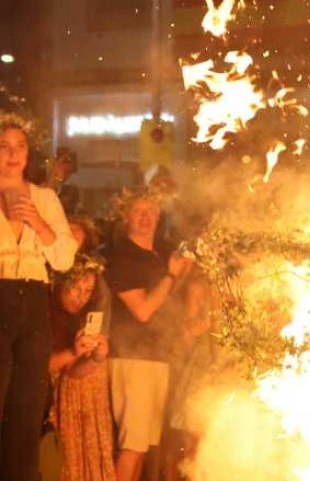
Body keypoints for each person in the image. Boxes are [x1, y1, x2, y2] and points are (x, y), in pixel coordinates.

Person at [0, 112, 77, 480]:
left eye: (20, 147)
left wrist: (38, 223)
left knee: (27, 411)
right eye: (3, 147)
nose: (13, 155)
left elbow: (63, 259)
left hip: (32, 303)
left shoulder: (44, 198)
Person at [106, 191, 193, 481]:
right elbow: (143, 311)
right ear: (126, 217)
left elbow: (165, 303)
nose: (147, 217)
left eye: (152, 211)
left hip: (157, 357)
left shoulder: (159, 251)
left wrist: (179, 275)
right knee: (131, 447)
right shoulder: (121, 257)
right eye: (139, 211)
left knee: (142, 447)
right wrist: (171, 276)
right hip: (133, 359)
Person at [48, 254, 114, 481]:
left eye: (88, 291)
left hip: (76, 403)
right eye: (76, 288)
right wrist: (73, 352)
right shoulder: (44, 314)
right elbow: (44, 366)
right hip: (48, 407)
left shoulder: (81, 318)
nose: (81, 297)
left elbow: (75, 372)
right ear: (60, 284)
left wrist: (96, 356)